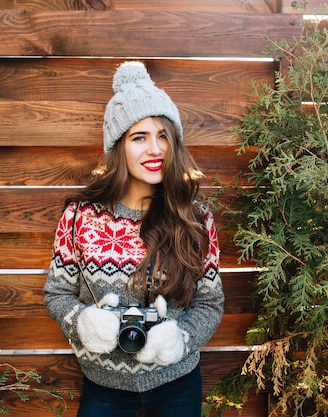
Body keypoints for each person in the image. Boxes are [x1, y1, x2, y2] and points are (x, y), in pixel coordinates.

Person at [43, 61, 224, 417]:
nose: (154, 150)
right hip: (103, 389)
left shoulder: (196, 217)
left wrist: (180, 339)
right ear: (119, 146)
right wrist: (81, 322)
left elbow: (209, 304)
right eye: (139, 137)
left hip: (178, 386)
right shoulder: (81, 216)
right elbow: (57, 294)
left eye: (162, 136)